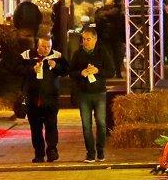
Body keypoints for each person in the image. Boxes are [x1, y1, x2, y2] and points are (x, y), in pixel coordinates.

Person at [69, 25, 115, 162]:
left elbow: (111, 71)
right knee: (86, 125)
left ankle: (100, 150)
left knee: (101, 123)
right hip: (84, 94)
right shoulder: (78, 54)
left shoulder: (102, 52)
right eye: (83, 39)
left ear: (95, 39)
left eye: (88, 39)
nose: (85, 42)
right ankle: (90, 153)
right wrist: (80, 73)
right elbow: (71, 72)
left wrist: (98, 71)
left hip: (99, 92)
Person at [16, 35, 65, 162]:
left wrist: (56, 66)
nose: (47, 49)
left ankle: (52, 150)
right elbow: (16, 70)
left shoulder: (57, 55)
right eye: (44, 46)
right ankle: (39, 153)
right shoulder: (27, 55)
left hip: (51, 98)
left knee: (51, 125)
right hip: (33, 99)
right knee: (36, 128)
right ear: (37, 46)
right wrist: (31, 69)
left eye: (49, 46)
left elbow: (66, 70)